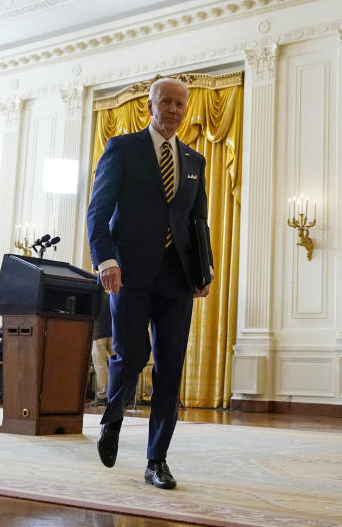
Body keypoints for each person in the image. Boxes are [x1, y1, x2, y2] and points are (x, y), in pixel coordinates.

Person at [86, 77, 213, 490]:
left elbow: (198, 224)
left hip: (177, 277)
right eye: (166, 102)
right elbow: (98, 211)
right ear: (150, 105)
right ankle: (113, 420)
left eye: (180, 103)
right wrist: (105, 260)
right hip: (129, 273)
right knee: (132, 353)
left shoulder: (195, 161)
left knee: (170, 366)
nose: (174, 110)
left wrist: (203, 271)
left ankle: (156, 459)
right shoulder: (123, 149)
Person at [90, 293, 113, 405]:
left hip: (98, 334)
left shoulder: (92, 296)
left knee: (100, 366)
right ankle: (119, 393)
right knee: (118, 364)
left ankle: (102, 396)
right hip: (113, 333)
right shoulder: (109, 296)